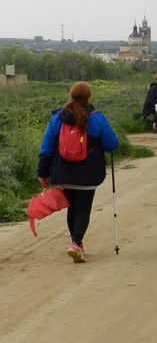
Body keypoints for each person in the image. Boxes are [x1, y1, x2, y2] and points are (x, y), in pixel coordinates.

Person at [37, 82, 119, 263]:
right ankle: (76, 243)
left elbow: (47, 147)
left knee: (72, 208)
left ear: (71, 95)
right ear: (89, 97)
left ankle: (77, 244)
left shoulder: (58, 118)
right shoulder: (97, 118)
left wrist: (42, 171)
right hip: (88, 173)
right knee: (83, 209)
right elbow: (112, 144)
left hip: (64, 173)